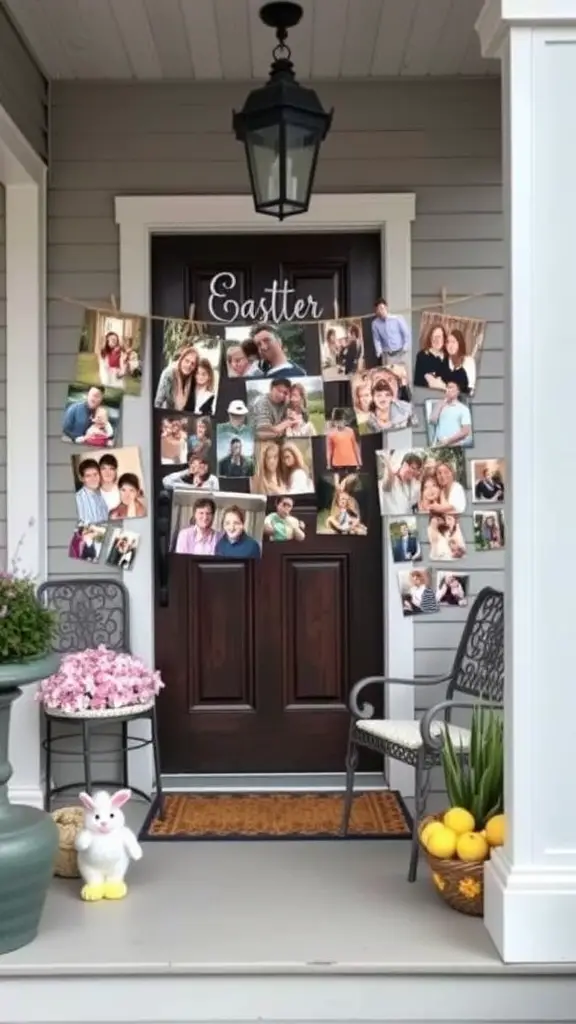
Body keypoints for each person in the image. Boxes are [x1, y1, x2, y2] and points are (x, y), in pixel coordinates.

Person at [427, 381, 473, 447]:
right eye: (447, 388)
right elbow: (432, 420)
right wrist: (441, 404)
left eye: (451, 387)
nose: (448, 390)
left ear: (458, 391)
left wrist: (448, 441)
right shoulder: (441, 405)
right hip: (439, 445)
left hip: (455, 445)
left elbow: (465, 431)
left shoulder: (463, 409)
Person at [154, 345, 199, 410]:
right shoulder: (169, 374)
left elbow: (191, 406)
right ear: (181, 359)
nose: (189, 365)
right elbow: (158, 402)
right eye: (187, 361)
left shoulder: (192, 379)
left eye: (193, 364)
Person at [379, 451, 423, 516]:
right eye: (413, 468)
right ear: (405, 464)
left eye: (417, 469)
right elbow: (387, 481)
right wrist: (388, 461)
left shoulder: (413, 484)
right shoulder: (392, 480)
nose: (414, 472)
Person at [74, 458, 109, 524]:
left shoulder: (101, 496)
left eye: (95, 474)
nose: (93, 479)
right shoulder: (78, 499)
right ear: (81, 478)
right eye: (88, 476)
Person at [414, 323, 447, 389]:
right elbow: (417, 382)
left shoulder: (448, 356)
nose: (436, 340)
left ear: (444, 338)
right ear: (430, 338)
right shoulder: (422, 355)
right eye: (434, 336)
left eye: (439, 336)